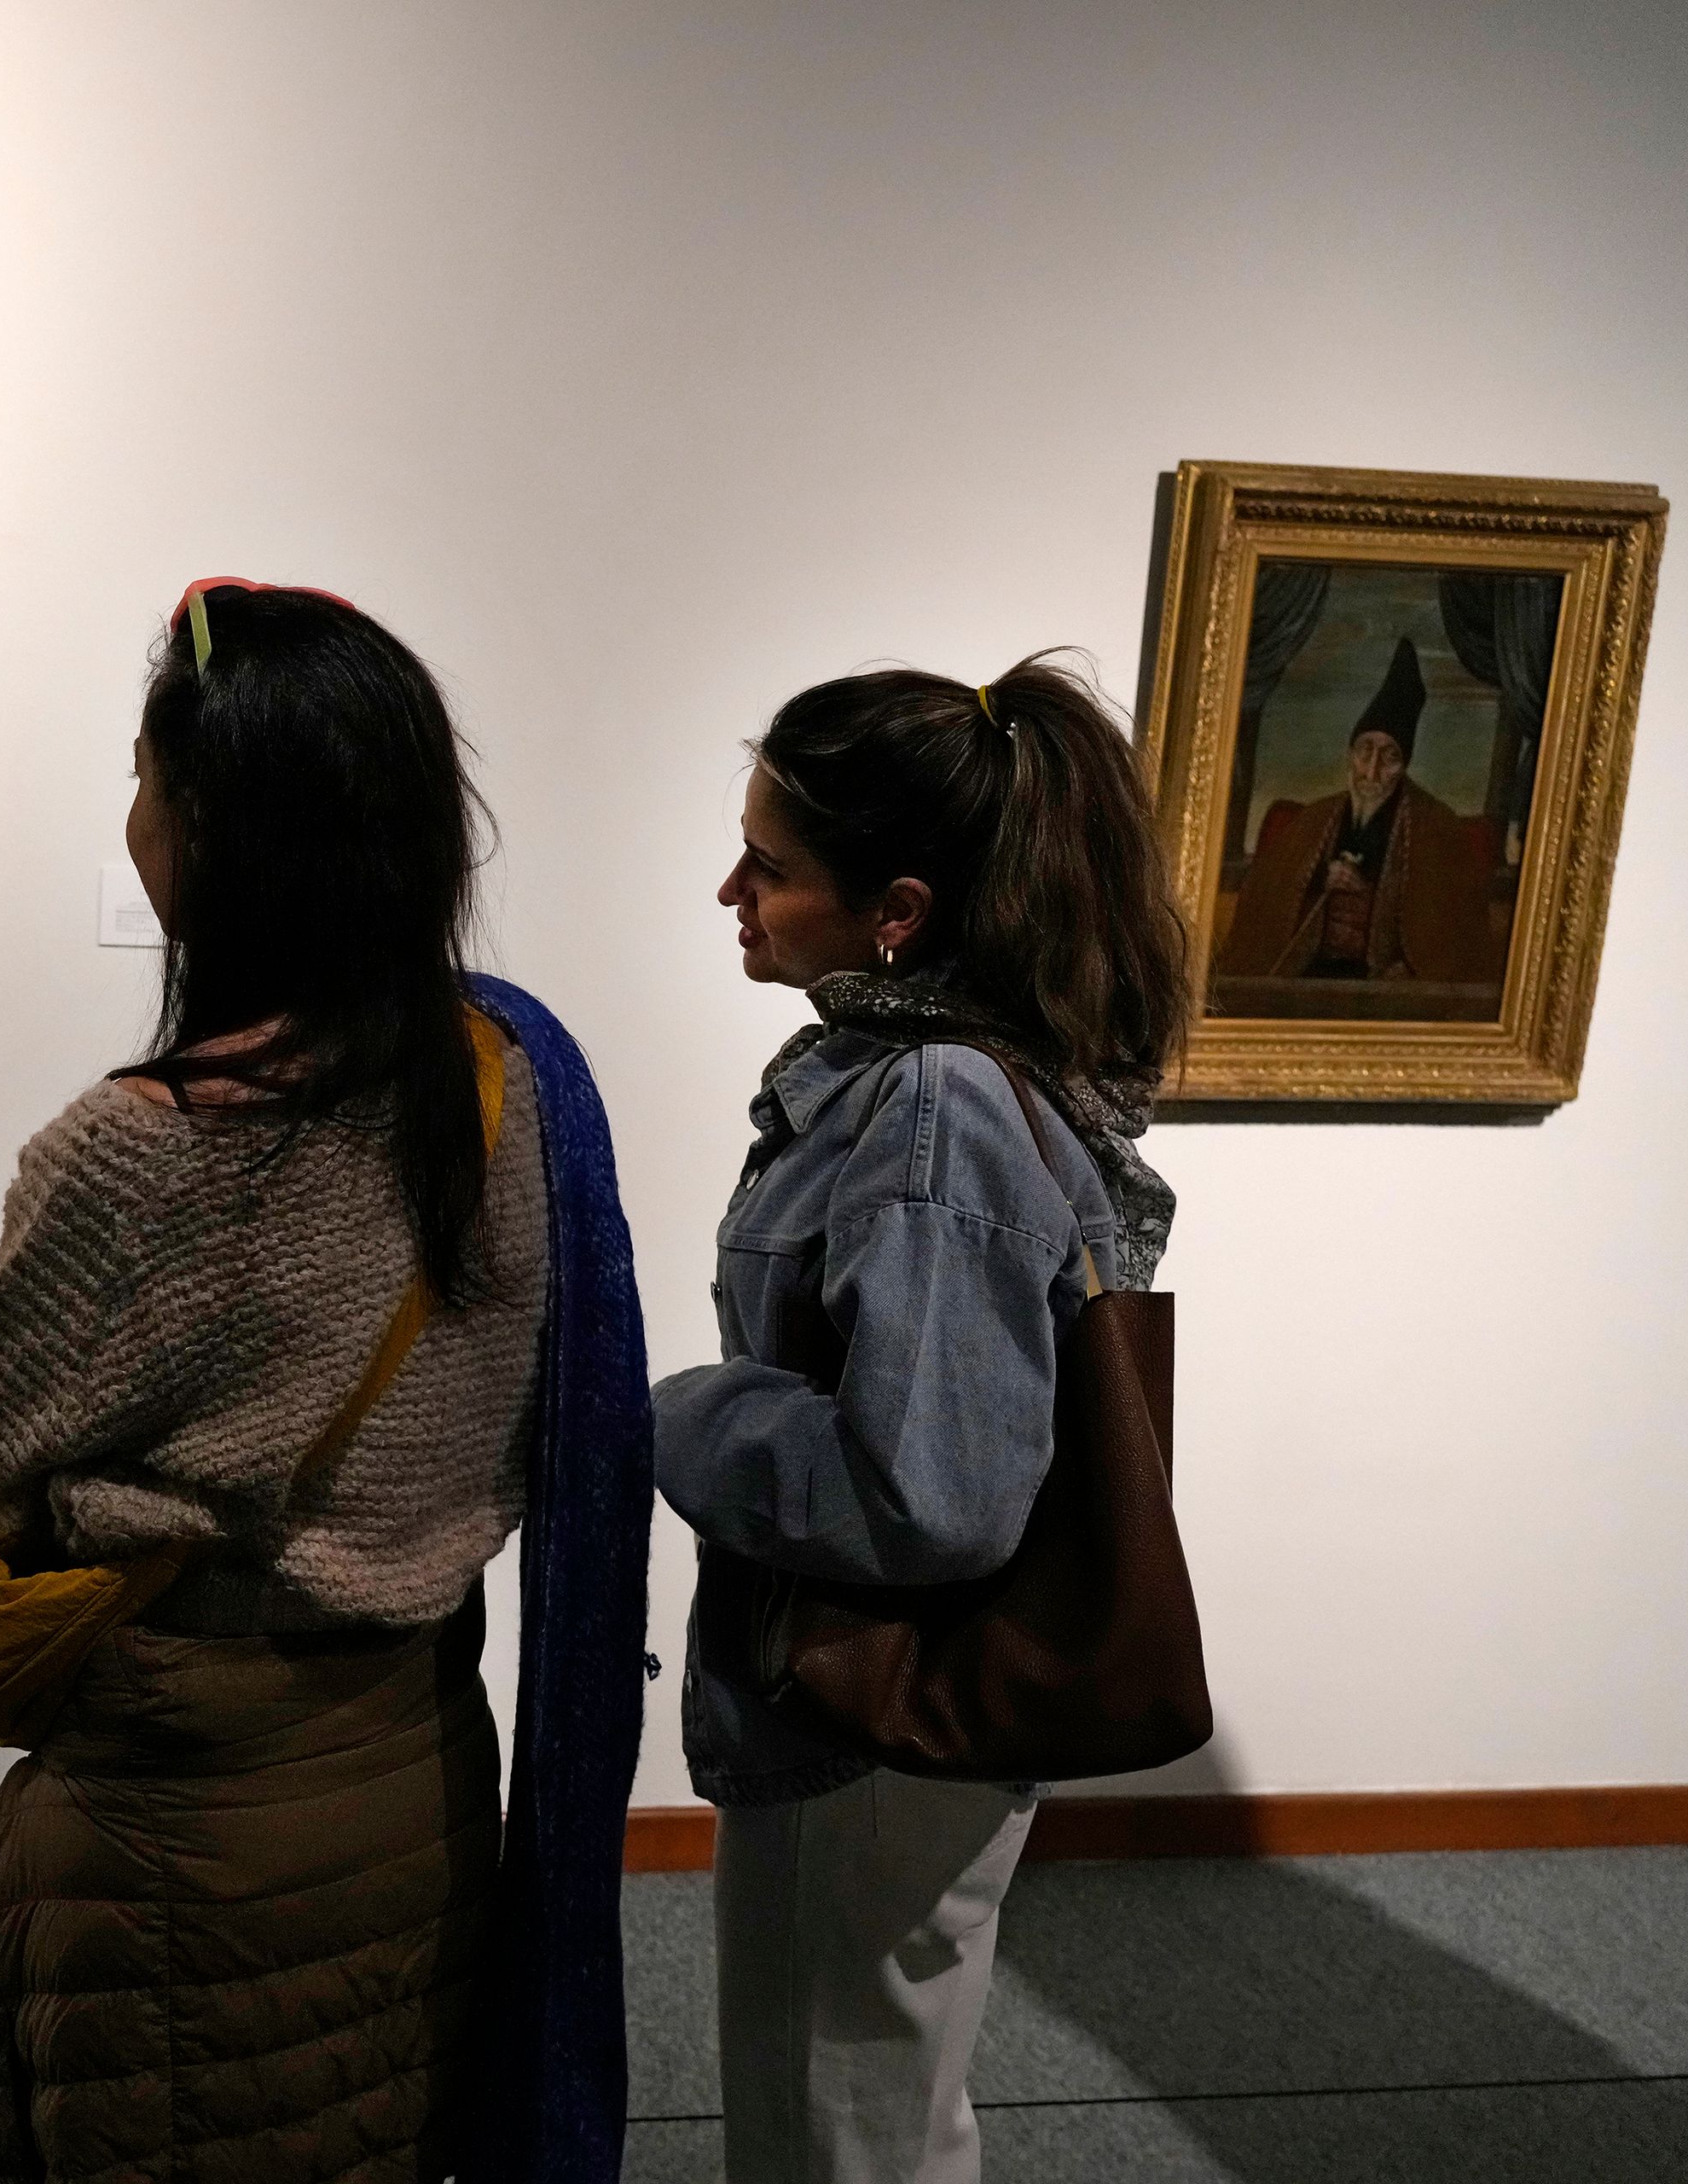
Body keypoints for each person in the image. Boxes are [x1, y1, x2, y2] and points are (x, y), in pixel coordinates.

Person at [0, 583, 652, 2182]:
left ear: (212, 829)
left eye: (144, 776)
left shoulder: (144, 1148)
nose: (132, 818)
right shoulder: (509, 1087)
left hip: (192, 1799)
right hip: (415, 1765)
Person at [653, 654, 1188, 2184]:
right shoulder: (914, 1078)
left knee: (846, 2131)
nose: (728, 891)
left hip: (878, 1714)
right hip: (867, 1710)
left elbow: (927, 1500)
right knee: (854, 2108)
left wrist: (676, 1419)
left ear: (896, 911)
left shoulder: (938, 1100)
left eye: (769, 864)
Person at [1216, 634, 1498, 984]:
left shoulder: (1436, 827)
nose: (1372, 771)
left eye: (1390, 756)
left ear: (1405, 765)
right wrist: (1320, 878)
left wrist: (1411, 970)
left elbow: (1453, 938)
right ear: (1351, 754)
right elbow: (1265, 898)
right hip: (1309, 974)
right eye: (1365, 750)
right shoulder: (1315, 819)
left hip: (1390, 985)